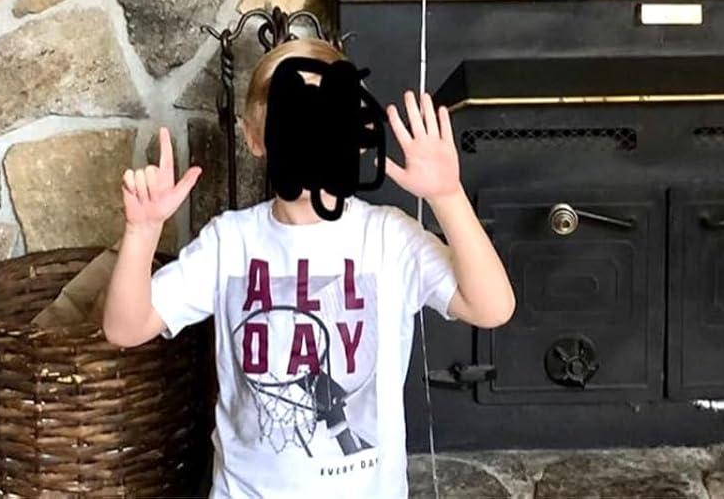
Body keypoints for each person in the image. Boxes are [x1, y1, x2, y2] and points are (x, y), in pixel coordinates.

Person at [101, 39, 516, 499]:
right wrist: (142, 233)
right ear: (256, 138)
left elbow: (492, 308)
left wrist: (448, 195)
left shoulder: (388, 236)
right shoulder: (228, 242)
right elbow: (126, 328)